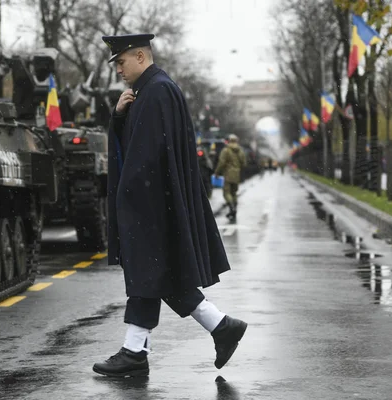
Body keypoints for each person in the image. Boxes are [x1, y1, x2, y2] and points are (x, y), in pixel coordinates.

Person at [93, 33, 247, 378]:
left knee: (150, 272)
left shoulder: (158, 91)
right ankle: (216, 328)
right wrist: (118, 116)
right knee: (156, 274)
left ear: (140, 57)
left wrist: (129, 198)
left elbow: (146, 158)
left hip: (150, 204)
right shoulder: (150, 91)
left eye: (121, 62)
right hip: (155, 202)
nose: (118, 69)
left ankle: (140, 350)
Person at [214, 134, 246, 222]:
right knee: (234, 193)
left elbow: (221, 162)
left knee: (226, 192)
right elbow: (244, 163)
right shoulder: (240, 151)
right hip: (237, 174)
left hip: (228, 174)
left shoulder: (226, 150)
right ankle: (234, 209)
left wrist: (217, 172)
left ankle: (231, 208)